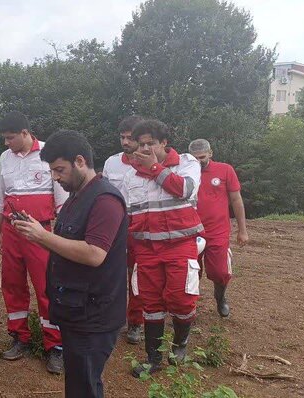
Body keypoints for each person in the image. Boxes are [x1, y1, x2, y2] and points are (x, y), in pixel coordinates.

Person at [14, 130, 127, 397]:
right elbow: (64, 245)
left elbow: (94, 254)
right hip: (76, 310)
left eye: (59, 170)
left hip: (94, 315)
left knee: (84, 386)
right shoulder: (75, 198)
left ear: (79, 161)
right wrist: (35, 233)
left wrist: (43, 236)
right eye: (52, 171)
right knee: (80, 383)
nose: (55, 177)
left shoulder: (105, 200)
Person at [122, 119, 204, 377]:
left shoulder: (187, 163)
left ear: (164, 144)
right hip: (146, 248)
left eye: (152, 143)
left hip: (180, 245)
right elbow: (128, 213)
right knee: (151, 303)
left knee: (181, 300)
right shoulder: (131, 174)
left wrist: (154, 168)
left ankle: (179, 345)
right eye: (142, 144)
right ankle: (152, 358)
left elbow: (185, 189)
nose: (146, 149)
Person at [0, 111, 68, 374]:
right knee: (12, 284)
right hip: (13, 231)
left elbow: (61, 197)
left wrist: (61, 236)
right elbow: (1, 196)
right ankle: (20, 337)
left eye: (10, 138)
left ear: (25, 133)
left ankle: (55, 346)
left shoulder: (49, 153)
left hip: (41, 232)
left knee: (46, 286)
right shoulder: (5, 157)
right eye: (4, 138)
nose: (6, 143)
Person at [188, 139, 248, 317]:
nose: (198, 161)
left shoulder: (225, 170)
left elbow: (236, 200)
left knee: (219, 272)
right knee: (191, 271)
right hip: (191, 231)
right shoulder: (185, 173)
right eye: (194, 158)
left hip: (217, 230)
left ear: (210, 153)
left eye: (202, 157)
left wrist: (242, 230)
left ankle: (220, 297)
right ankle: (189, 306)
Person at [102, 115, 145, 344]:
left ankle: (136, 322)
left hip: (140, 223)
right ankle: (112, 317)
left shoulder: (150, 163)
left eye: (130, 138)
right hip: (116, 224)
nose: (126, 142)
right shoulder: (112, 163)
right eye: (122, 137)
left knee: (136, 275)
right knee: (112, 272)